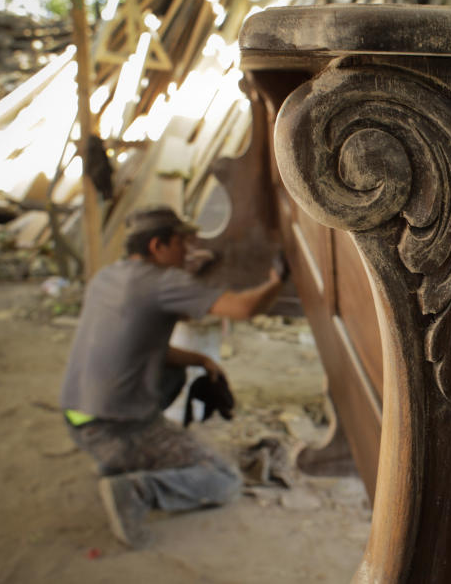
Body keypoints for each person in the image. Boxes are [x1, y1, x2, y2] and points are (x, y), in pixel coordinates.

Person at [60, 204, 285, 547]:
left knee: (176, 373)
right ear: (157, 246)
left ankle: (117, 461)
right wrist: (277, 280)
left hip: (77, 415)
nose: (188, 251)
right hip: (113, 427)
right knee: (223, 479)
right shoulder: (162, 282)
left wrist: (199, 360)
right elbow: (244, 308)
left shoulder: (108, 275)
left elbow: (139, 344)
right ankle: (134, 488)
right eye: (181, 243)